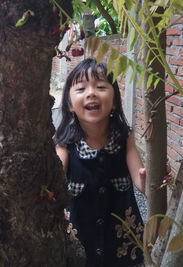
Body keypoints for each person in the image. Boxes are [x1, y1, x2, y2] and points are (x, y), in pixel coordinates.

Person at [54, 58, 146, 267]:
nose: (91, 93)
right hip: (79, 242)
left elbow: (140, 181)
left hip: (122, 244)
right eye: (81, 88)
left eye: (101, 86)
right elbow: (54, 185)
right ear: (69, 104)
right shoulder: (64, 145)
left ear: (114, 101)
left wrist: (150, 180)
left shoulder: (125, 138)